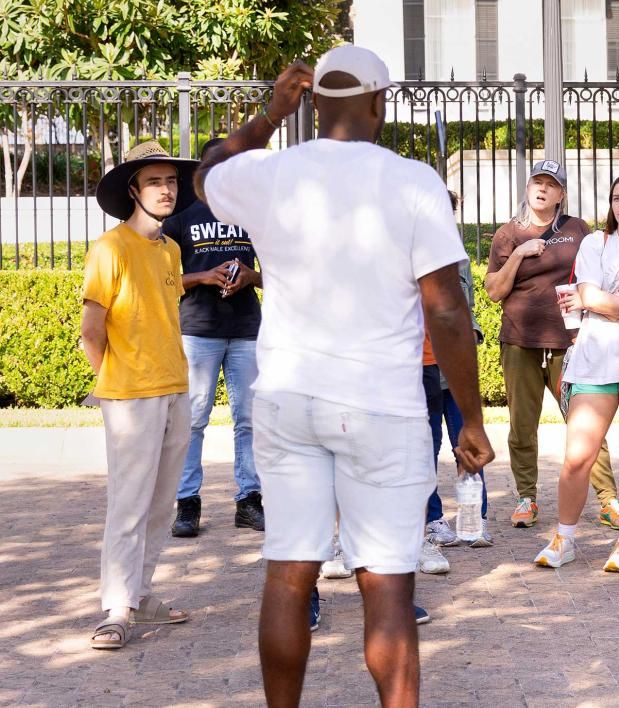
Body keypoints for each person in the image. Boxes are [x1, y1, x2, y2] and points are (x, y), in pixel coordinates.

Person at [197, 48, 495, 707]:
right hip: (380, 407)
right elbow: (445, 307)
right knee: (387, 587)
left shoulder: (273, 173)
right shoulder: (413, 181)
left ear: (315, 103)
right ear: (379, 102)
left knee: (288, 577)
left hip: (288, 399)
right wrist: (470, 417)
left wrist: (273, 113)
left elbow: (208, 173)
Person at [81, 141, 199, 650]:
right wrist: (113, 386)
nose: (166, 189)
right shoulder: (110, 248)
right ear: (133, 190)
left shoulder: (170, 250)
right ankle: (116, 607)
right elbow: (92, 329)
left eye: (171, 181)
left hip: (176, 388)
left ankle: (141, 590)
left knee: (161, 503)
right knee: (128, 505)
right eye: (155, 182)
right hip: (131, 396)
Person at [535, 174, 619, 573]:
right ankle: (565, 537)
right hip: (594, 361)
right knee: (577, 456)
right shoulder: (595, 242)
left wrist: (609, 304)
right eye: (616, 198)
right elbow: (589, 296)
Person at [485, 160, 619, 530]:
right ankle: (526, 497)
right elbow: (494, 292)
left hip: (570, 341)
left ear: (561, 194)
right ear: (528, 189)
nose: (542, 189)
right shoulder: (507, 234)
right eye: (536, 183)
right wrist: (518, 254)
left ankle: (608, 499)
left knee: (586, 422)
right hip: (520, 341)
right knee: (521, 425)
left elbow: (600, 276)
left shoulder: (577, 230)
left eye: (550, 184)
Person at [162, 139, 265, 539]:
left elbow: (281, 274)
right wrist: (203, 276)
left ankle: (249, 501)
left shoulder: (254, 215)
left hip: (245, 330)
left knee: (249, 419)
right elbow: (161, 280)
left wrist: (251, 276)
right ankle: (187, 505)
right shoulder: (180, 216)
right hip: (198, 329)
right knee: (193, 420)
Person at [419, 191, 488, 571]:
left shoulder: (458, 259)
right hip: (421, 368)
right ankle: (431, 522)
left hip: (454, 373)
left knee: (469, 442)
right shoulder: (405, 253)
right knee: (423, 448)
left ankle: (474, 520)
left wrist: (472, 332)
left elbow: (466, 309)